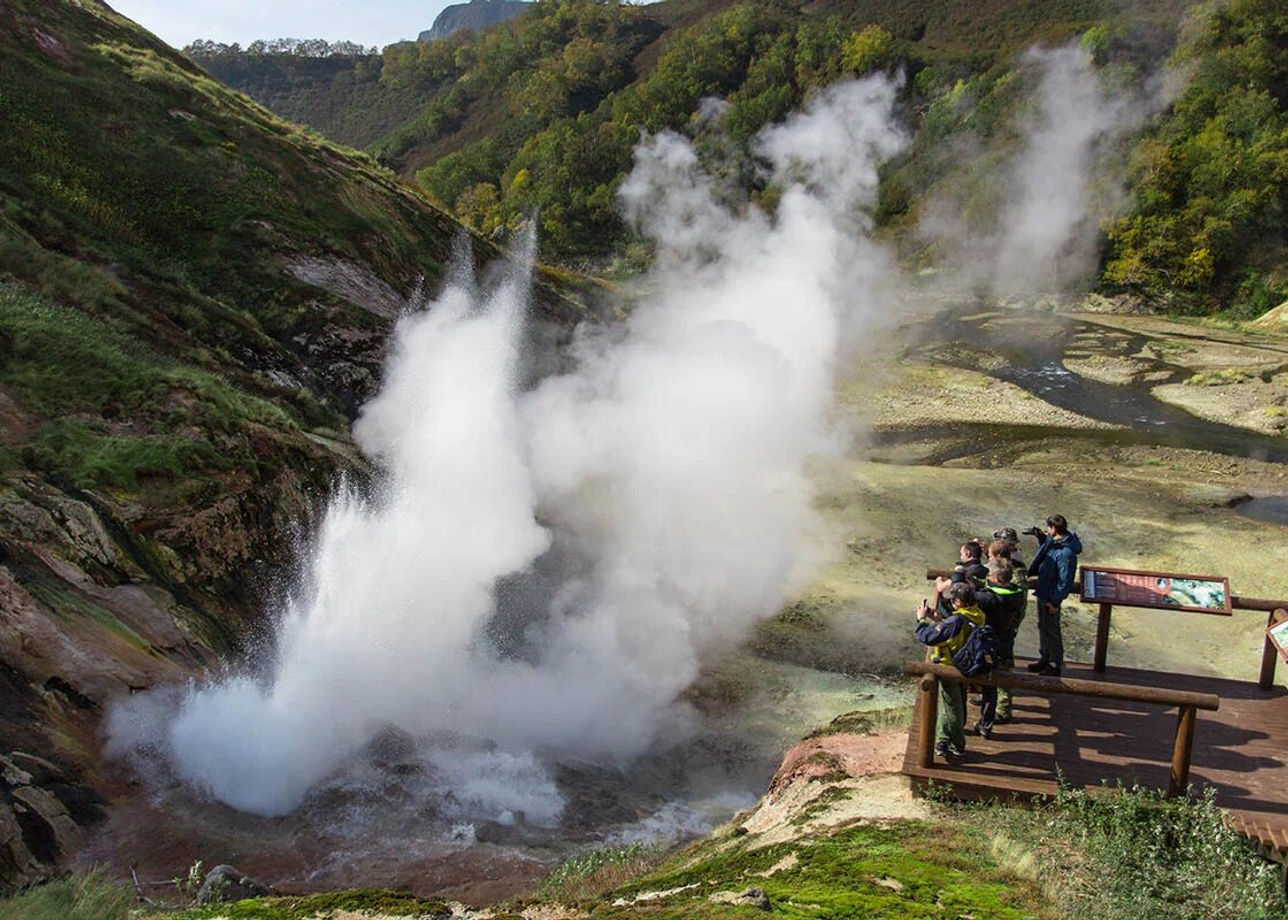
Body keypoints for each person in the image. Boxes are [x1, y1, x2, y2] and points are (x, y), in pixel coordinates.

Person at [916, 581, 986, 759]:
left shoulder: (956, 620)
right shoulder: (977, 614)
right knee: (955, 702)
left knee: (952, 707)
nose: (952, 602)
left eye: (954, 600)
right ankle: (944, 739)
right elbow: (956, 629)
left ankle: (958, 745)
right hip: (966, 664)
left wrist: (922, 619)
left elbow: (928, 637)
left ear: (960, 602)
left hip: (950, 666)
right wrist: (939, 620)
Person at [972, 561, 1026, 735]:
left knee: (990, 681)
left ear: (995, 578)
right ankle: (993, 718)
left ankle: (994, 717)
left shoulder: (989, 598)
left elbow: (974, 598)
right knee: (1002, 675)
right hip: (1006, 640)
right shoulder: (1016, 593)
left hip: (989, 644)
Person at [1025, 514, 1082, 677]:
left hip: (1051, 595)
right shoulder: (1056, 542)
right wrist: (1040, 536)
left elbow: (1065, 580)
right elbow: (1047, 547)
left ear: (1054, 529)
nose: (1047, 530)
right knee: (1043, 626)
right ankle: (1045, 658)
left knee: (1052, 630)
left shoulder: (1066, 553)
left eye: (1048, 528)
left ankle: (1055, 664)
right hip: (1044, 590)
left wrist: (1056, 602)